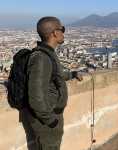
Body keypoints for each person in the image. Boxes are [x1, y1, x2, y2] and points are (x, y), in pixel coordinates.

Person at [20, 16, 82, 150]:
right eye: (62, 29)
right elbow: (35, 96)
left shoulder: (47, 54)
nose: (63, 32)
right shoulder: (41, 58)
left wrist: (72, 74)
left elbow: (53, 76)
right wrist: (50, 120)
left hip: (51, 115)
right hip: (47, 119)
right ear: (55, 33)